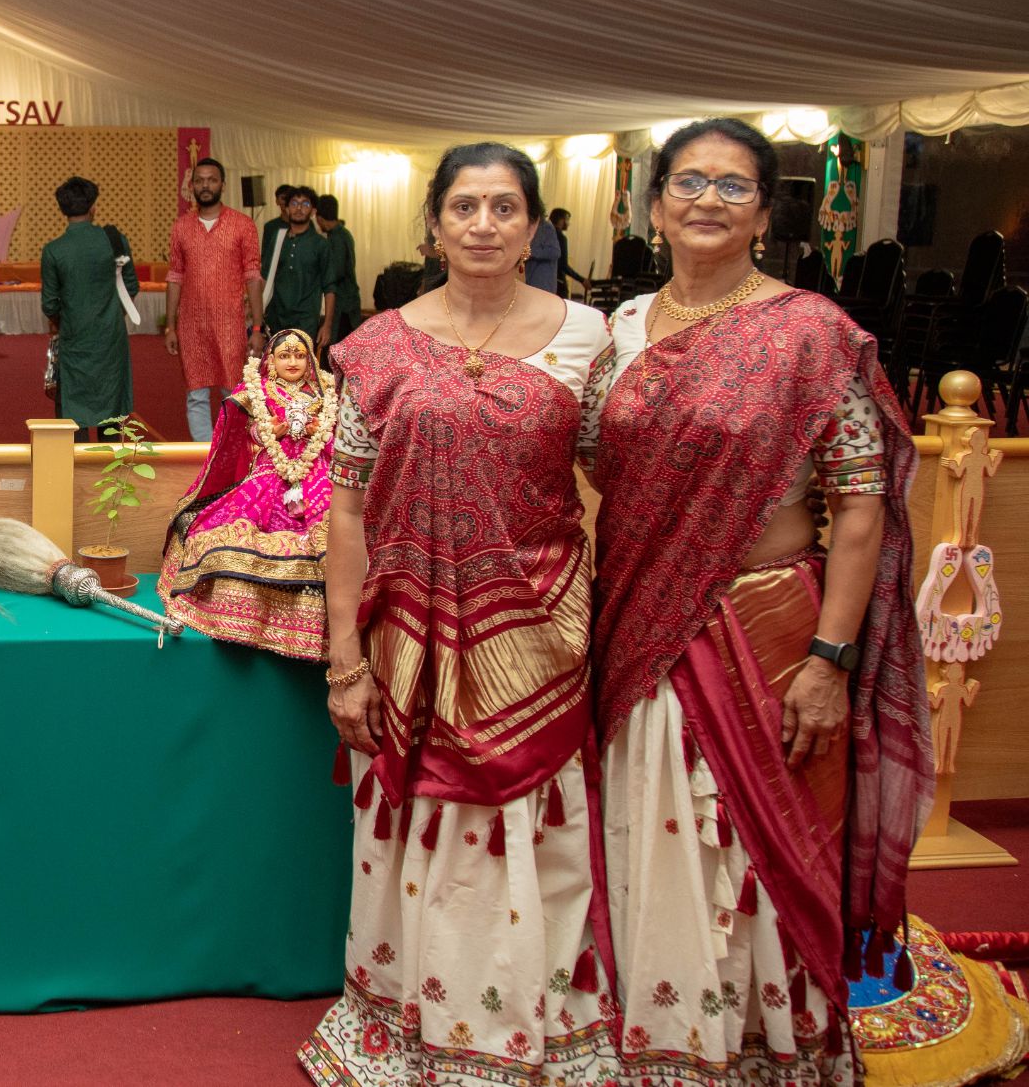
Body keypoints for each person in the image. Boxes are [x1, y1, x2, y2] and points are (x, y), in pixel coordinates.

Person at [585, 117, 927, 1085]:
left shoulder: (809, 334)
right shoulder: (614, 332)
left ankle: (764, 1052)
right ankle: (657, 1044)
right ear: (652, 207)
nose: (705, 200)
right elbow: (577, 466)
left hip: (765, 626)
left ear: (763, 216)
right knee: (644, 829)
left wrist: (828, 662)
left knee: (749, 845)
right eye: (686, 182)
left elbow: (858, 508)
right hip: (637, 619)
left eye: (732, 187)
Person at [302, 142, 616, 1087]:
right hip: (408, 635)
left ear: (535, 225)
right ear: (434, 225)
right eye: (465, 206)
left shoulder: (591, 340)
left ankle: (540, 1025)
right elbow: (347, 509)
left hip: (541, 624)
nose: (484, 224)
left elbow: (628, 480)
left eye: (505, 207)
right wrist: (344, 658)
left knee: (537, 823)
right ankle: (409, 1020)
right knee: (417, 820)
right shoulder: (376, 343)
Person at [159, 329, 333, 658]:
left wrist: (316, 432)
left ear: (310, 360)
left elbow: (339, 433)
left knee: (329, 529)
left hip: (316, 471)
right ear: (271, 360)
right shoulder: (259, 389)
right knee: (238, 524)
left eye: (299, 355)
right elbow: (241, 431)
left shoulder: (325, 390)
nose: (292, 362)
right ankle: (237, 615)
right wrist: (270, 431)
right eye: (285, 355)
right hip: (270, 469)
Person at [164, 158, 262, 441]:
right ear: (191, 186)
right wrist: (170, 326)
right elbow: (175, 276)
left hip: (230, 323)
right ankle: (203, 455)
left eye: (211, 180)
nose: (205, 186)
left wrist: (257, 327)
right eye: (200, 180)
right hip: (191, 325)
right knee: (195, 393)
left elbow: (253, 276)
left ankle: (229, 451)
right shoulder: (181, 227)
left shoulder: (242, 225)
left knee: (232, 391)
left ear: (222, 185)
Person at [40, 175, 138, 439]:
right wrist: (113, 314)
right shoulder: (114, 240)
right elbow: (131, 285)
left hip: (74, 336)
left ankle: (78, 468)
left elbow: (49, 302)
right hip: (111, 335)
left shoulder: (54, 250)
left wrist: (67, 320)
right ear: (93, 206)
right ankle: (108, 465)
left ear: (62, 209)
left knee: (75, 405)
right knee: (110, 403)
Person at [260, 187, 337, 349]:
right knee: (276, 370)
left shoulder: (321, 244)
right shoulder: (278, 238)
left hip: (305, 321)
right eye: (294, 203)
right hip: (276, 319)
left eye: (305, 204)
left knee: (300, 371)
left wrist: (327, 325)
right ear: (287, 209)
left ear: (313, 211)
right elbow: (265, 277)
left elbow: (330, 288)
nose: (299, 208)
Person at [313, 193, 360, 339]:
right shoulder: (344, 233)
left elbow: (336, 272)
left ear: (320, 218)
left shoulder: (336, 239)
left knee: (339, 349)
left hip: (343, 303)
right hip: (348, 300)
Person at [549, 208, 589, 297]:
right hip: (558, 282)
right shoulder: (561, 238)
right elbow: (563, 265)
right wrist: (581, 280)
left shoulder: (545, 234)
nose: (568, 223)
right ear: (560, 220)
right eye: (567, 219)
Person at [525, 208, 564, 293]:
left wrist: (529, 251)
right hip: (529, 280)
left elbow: (555, 252)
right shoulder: (526, 227)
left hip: (543, 283)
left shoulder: (546, 226)